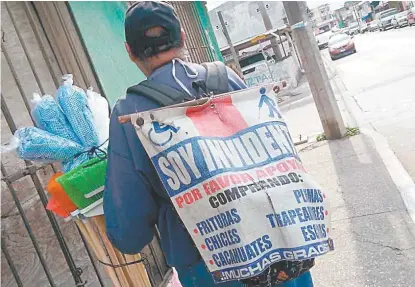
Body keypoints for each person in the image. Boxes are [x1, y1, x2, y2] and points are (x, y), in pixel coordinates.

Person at [104, 2, 313, 287]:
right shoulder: (224, 77)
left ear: (129, 52)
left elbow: (130, 232)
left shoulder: (130, 114)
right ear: (183, 38)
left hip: (208, 265)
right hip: (281, 243)